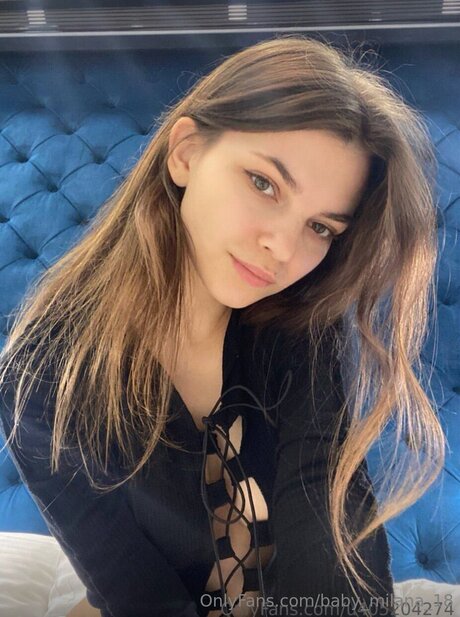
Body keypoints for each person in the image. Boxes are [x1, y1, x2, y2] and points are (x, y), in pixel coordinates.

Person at [0, 34, 445, 617]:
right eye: (264, 183)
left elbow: (328, 530)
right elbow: (135, 592)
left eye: (320, 228)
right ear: (185, 153)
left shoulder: (300, 326)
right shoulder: (42, 379)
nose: (282, 247)